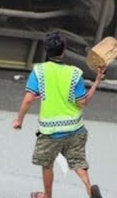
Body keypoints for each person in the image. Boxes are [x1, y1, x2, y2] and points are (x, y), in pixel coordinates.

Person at [13, 31, 105, 198]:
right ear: (63, 50)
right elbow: (83, 103)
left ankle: (47, 195)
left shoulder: (39, 71)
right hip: (75, 128)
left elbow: (27, 100)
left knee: (47, 164)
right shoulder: (74, 73)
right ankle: (89, 188)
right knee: (78, 162)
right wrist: (96, 83)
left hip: (50, 132)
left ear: (47, 50)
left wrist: (19, 120)